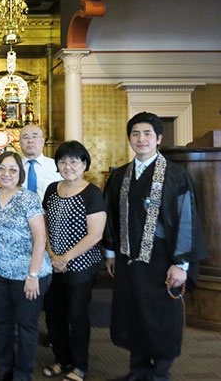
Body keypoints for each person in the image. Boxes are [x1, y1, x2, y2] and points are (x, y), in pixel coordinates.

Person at [103, 112, 206, 381]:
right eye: (135, 134)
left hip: (163, 260)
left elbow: (187, 220)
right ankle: (137, 370)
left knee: (161, 317)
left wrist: (181, 263)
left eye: (148, 133)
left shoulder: (176, 176)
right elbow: (112, 216)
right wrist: (111, 251)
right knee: (133, 313)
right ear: (129, 139)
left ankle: (160, 373)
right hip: (128, 259)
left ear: (159, 138)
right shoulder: (120, 176)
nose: (141, 139)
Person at [41, 141, 107, 381]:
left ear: (84, 164)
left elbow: (96, 234)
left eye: (74, 161)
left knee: (77, 316)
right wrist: (51, 254)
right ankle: (61, 360)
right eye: (63, 161)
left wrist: (65, 258)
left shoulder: (92, 193)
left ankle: (79, 365)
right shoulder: (51, 189)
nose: (68, 166)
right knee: (54, 314)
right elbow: (44, 224)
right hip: (53, 264)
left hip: (81, 266)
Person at [0, 151, 52, 381]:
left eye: (13, 169)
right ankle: (5, 370)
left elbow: (40, 239)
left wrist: (33, 275)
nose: (6, 174)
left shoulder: (28, 198)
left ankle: (22, 375)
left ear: (20, 174)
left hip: (28, 275)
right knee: (2, 325)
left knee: (26, 326)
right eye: (2, 168)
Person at [19, 124, 63, 201]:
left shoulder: (56, 166)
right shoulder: (15, 168)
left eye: (34, 136)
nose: (30, 141)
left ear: (42, 141)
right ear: (20, 142)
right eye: (26, 137)